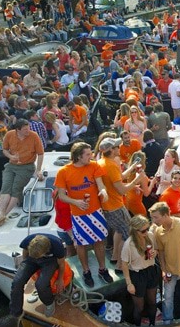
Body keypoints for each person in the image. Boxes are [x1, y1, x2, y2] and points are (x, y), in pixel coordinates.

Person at [53, 142, 113, 287]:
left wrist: (103, 191)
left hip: (96, 212)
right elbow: (61, 196)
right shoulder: (63, 171)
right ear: (79, 156)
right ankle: (86, 272)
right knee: (81, 244)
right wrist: (75, 202)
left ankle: (102, 269)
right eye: (87, 154)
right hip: (78, 215)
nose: (91, 156)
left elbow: (100, 184)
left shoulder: (94, 166)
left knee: (100, 241)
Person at [97, 137, 143, 265]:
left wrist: (132, 167)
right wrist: (136, 180)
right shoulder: (111, 165)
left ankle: (115, 257)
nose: (120, 148)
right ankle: (121, 266)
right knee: (128, 235)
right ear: (111, 150)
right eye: (117, 146)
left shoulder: (103, 162)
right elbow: (122, 190)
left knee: (119, 231)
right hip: (115, 207)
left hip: (109, 206)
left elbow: (120, 177)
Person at [0, 119, 45, 226]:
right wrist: (11, 156)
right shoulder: (9, 135)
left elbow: (40, 153)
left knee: (16, 189)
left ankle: (4, 215)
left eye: (28, 128)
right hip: (12, 165)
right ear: (18, 130)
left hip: (26, 166)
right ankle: (1, 213)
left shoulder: (34, 136)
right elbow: (5, 150)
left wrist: (38, 169)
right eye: (25, 129)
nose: (28, 131)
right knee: (5, 187)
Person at [9, 234, 66, 318]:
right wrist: (25, 268)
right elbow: (25, 253)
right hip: (32, 258)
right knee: (17, 282)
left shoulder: (57, 245)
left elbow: (61, 264)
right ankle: (15, 312)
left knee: (41, 284)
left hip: (50, 260)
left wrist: (60, 279)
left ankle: (49, 303)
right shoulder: (27, 240)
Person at [120, 215, 159, 326]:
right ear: (135, 231)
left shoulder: (150, 235)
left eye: (147, 228)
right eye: (143, 231)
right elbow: (124, 264)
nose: (146, 232)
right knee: (139, 307)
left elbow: (156, 249)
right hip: (137, 275)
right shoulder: (129, 244)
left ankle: (152, 323)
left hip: (151, 270)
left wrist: (155, 253)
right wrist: (129, 284)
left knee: (152, 302)